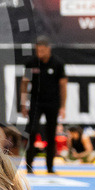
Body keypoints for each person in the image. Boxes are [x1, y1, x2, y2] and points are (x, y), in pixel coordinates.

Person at [19, 35, 66, 175]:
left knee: (51, 135)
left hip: (53, 102)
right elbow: (24, 83)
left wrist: (62, 106)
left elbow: (63, 86)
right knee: (32, 132)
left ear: (48, 49)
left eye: (42, 51)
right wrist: (23, 104)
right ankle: (29, 166)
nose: (39, 53)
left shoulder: (58, 64)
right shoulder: (31, 63)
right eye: (37, 51)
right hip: (36, 102)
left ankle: (50, 167)